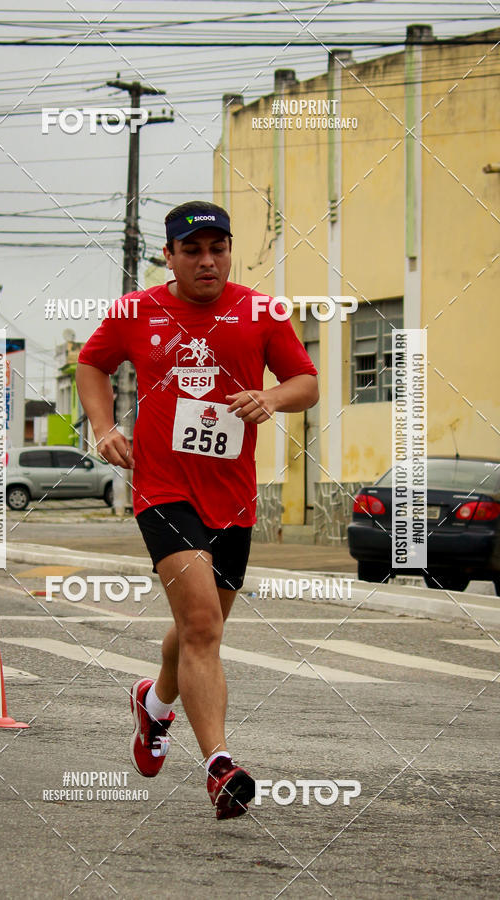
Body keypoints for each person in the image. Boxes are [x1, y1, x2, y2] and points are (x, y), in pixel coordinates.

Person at [76, 200, 318, 820]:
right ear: (171, 257)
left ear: (230, 251)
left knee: (195, 629)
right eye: (193, 250)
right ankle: (219, 767)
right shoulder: (137, 311)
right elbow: (91, 364)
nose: (207, 261)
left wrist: (269, 397)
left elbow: (306, 381)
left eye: (218, 248)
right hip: (163, 491)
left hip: (233, 498)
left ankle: (154, 704)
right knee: (205, 626)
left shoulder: (261, 311)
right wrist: (103, 428)